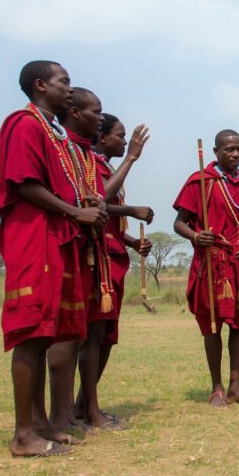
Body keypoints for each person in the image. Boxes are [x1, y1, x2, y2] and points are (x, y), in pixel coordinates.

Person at [0, 61, 106, 456]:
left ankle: (41, 423)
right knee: (30, 333)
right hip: (34, 237)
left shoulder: (53, 132)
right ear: (40, 85)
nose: (70, 91)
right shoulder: (24, 124)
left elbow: (60, 185)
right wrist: (75, 212)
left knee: (45, 334)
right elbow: (24, 183)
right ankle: (24, 435)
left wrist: (83, 202)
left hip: (57, 238)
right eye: (64, 82)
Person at [174, 130, 239, 408]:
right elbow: (179, 222)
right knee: (213, 325)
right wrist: (196, 236)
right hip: (213, 263)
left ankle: (236, 387)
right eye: (229, 150)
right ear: (215, 152)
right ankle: (217, 387)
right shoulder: (201, 182)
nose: (235, 154)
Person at [75, 113, 153, 428]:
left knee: (106, 336)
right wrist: (132, 158)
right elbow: (99, 202)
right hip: (98, 261)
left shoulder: (106, 167)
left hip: (114, 256)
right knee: (93, 336)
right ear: (102, 137)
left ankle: (84, 404)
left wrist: (132, 241)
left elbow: (108, 215)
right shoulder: (90, 164)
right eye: (120, 137)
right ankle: (90, 410)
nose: (124, 142)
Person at [50, 86, 109, 434]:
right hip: (60, 246)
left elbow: (96, 198)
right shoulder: (60, 145)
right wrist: (131, 158)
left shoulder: (82, 153)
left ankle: (73, 413)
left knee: (83, 335)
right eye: (96, 112)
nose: (100, 119)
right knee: (63, 336)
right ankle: (57, 418)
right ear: (74, 112)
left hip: (86, 250)